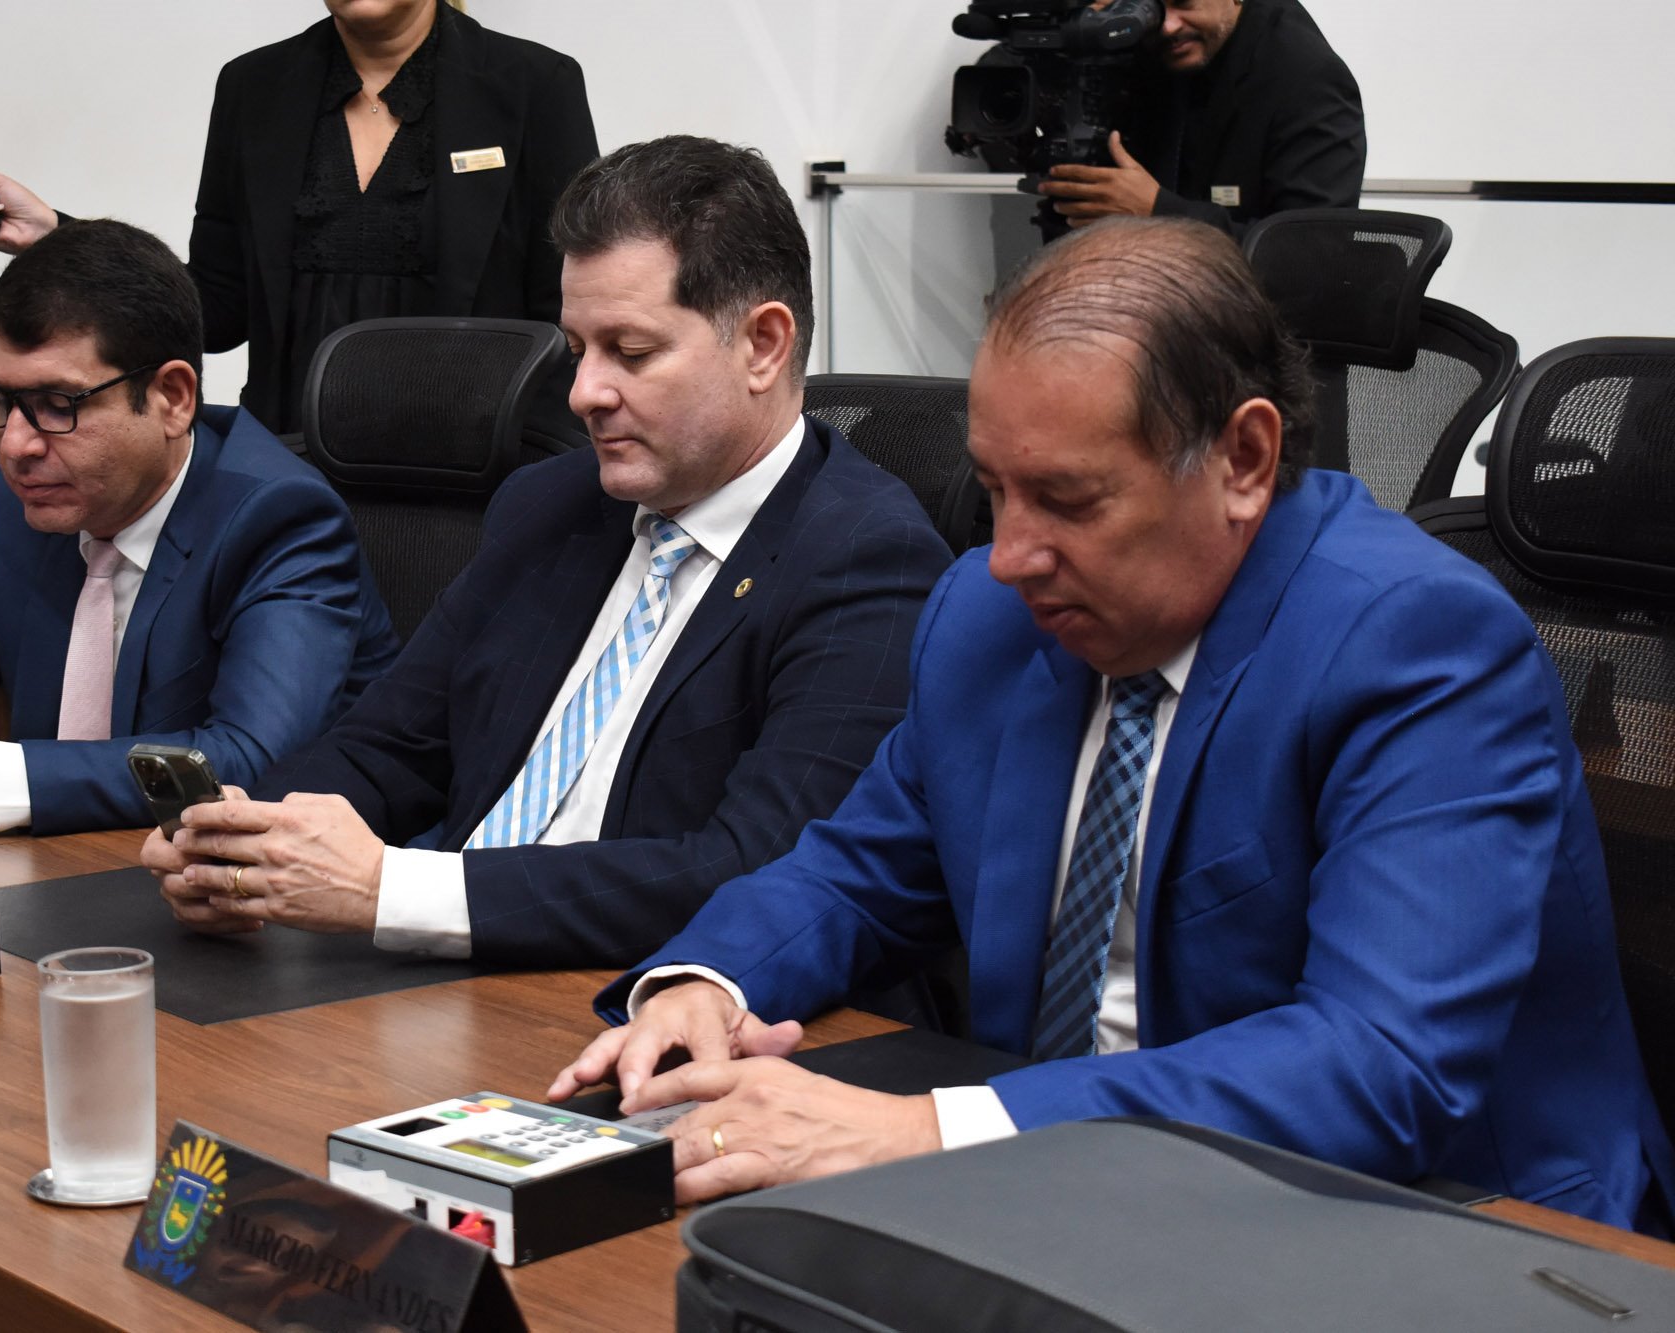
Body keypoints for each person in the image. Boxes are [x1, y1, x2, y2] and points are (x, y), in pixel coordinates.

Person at [548, 215, 1675, 1236]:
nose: (1008, 554)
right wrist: (708, 985)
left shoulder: (1416, 643)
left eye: (1067, 499)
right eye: (994, 490)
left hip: (1438, 1223)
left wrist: (926, 1130)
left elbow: (1378, 1065)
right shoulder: (988, 616)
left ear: (1242, 460)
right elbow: (856, 873)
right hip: (1067, 1200)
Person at [141, 136, 952, 969]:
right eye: (576, 350)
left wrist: (391, 889)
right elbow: (389, 747)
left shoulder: (867, 559)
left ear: (764, 345)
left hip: (647, 997)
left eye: (630, 353)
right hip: (441, 985)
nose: (583, 392)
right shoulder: (552, 503)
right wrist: (245, 837)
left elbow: (755, 871)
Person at [0, 220, 401, 836]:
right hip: (67, 868)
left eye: (57, 405)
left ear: (172, 398)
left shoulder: (278, 519)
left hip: (261, 889)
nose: (16, 445)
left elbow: (245, 760)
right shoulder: (22, 502)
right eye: (3, 399)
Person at [0, 0, 599, 436]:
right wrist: (57, 236)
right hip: (293, 465)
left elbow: (570, 310)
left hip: (477, 470)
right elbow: (216, 310)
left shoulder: (535, 84)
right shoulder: (254, 87)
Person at [1035, 0, 1365, 236]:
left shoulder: (1305, 77)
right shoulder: (1146, 44)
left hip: (1256, 308)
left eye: (1184, 3)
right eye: (1152, 7)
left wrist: (1160, 213)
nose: (1168, 26)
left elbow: (1314, 252)